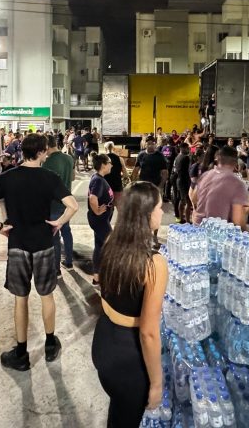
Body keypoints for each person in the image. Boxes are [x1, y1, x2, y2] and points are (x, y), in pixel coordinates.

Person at [0, 134, 79, 371]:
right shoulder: (49, 177)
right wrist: (59, 223)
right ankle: (50, 345)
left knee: (20, 298)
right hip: (43, 244)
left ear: (22, 151)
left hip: (18, 244)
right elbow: (72, 205)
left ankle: (21, 353)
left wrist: (0, 228)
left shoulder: (8, 177)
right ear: (42, 152)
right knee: (47, 296)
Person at [92, 182, 168, 427]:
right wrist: (157, 383)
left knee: (119, 410)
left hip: (104, 341)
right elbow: (148, 333)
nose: (162, 212)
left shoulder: (112, 243)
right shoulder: (154, 264)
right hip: (128, 357)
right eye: (159, 207)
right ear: (147, 214)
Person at [191, 146, 249, 229]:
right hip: (218, 233)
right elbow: (238, 221)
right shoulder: (237, 184)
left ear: (217, 160)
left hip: (197, 227)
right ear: (236, 162)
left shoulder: (205, 175)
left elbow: (194, 199)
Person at [43, 135, 75, 274]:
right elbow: (73, 177)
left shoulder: (46, 162)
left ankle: (56, 269)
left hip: (53, 204)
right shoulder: (69, 158)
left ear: (46, 146)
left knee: (55, 237)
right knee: (66, 232)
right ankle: (69, 262)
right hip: (67, 203)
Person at [131, 137, 168, 244]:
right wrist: (133, 183)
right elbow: (136, 170)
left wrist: (160, 186)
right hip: (143, 188)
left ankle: (155, 236)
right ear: (145, 144)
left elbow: (165, 173)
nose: (150, 145)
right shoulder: (141, 155)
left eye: (152, 143)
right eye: (149, 143)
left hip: (155, 188)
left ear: (155, 145)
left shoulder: (160, 156)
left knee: (155, 213)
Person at [88, 154, 114, 286]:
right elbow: (93, 198)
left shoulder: (99, 178)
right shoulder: (98, 180)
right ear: (103, 165)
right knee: (113, 246)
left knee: (99, 246)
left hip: (101, 220)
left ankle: (97, 277)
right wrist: (97, 211)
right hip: (100, 221)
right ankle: (111, 277)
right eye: (110, 162)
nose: (112, 165)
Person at [103, 141, 127, 210]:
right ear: (113, 148)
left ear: (105, 148)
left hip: (106, 187)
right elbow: (125, 174)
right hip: (117, 185)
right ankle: (121, 220)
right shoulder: (120, 159)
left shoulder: (102, 159)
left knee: (107, 208)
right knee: (120, 208)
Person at [172, 142, 192, 223]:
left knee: (181, 199)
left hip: (178, 180)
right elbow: (188, 171)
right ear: (182, 148)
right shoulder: (185, 158)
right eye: (187, 148)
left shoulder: (177, 157)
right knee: (186, 201)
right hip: (184, 181)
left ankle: (181, 217)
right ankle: (185, 219)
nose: (188, 150)